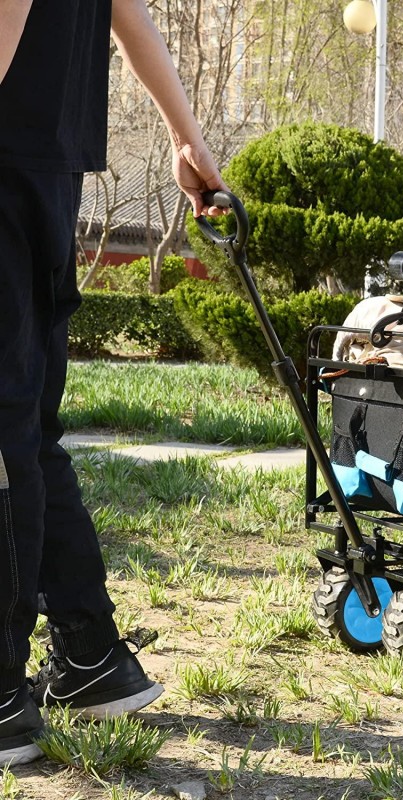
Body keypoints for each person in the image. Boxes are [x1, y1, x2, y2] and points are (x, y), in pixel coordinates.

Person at [0, 0, 227, 766]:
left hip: (6, 163)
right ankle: (91, 656)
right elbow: (125, 12)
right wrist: (184, 138)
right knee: (24, 425)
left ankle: (1, 698)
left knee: (4, 433)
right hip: (47, 168)